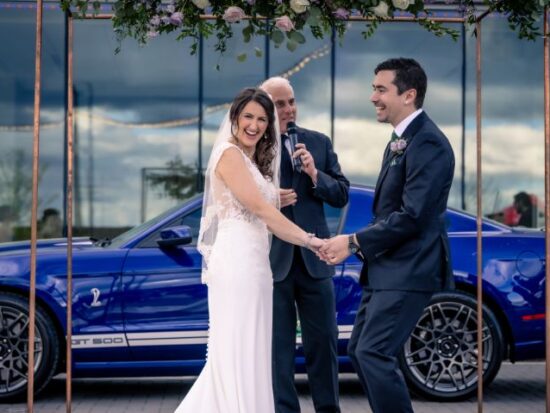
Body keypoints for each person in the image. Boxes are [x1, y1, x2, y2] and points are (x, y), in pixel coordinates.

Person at [174, 87, 325, 413]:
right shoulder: (229, 154)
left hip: (256, 264)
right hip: (237, 263)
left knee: (253, 350)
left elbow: (262, 207)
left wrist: (276, 198)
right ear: (235, 118)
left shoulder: (249, 161)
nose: (255, 125)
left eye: (261, 119)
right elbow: (260, 209)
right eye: (248, 117)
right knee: (236, 350)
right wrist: (310, 240)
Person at [319, 58, 455, 413]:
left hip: (409, 268)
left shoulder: (428, 143)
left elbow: (412, 215)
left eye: (381, 89)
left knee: (373, 352)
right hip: (386, 269)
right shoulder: (400, 140)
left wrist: (352, 242)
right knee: (359, 350)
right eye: (373, 88)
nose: (372, 97)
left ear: (408, 94)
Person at [261, 77, 349, 413]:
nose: (288, 110)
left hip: (316, 260)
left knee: (323, 343)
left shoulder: (318, 143)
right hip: (273, 262)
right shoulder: (255, 145)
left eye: (291, 102)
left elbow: (341, 194)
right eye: (279, 104)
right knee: (278, 348)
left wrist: (315, 174)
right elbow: (243, 200)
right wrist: (270, 200)